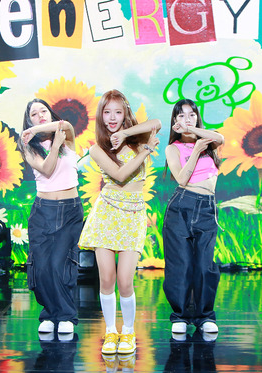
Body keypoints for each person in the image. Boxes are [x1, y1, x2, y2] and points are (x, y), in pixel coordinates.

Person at [78, 89, 161, 355]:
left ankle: (128, 331)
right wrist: (145, 152)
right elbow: (121, 175)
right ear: (100, 116)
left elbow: (157, 124)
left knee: (126, 280)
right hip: (106, 215)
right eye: (107, 111)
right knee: (107, 279)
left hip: (134, 214)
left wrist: (127, 134)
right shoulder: (97, 148)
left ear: (125, 112)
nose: (112, 117)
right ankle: (111, 331)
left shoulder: (135, 138)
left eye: (118, 111)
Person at [19, 98, 83, 336]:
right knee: (43, 266)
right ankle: (48, 313)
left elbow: (64, 125)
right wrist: (53, 145)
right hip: (43, 210)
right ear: (28, 120)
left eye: (43, 111)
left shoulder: (67, 136)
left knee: (61, 263)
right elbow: (46, 169)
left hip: (70, 210)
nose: (40, 116)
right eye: (34, 114)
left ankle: (66, 315)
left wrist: (38, 130)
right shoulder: (29, 147)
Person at [162, 99, 225, 337]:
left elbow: (220, 138)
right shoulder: (173, 148)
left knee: (205, 265)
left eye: (191, 115)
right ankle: (180, 315)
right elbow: (181, 178)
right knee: (182, 265)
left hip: (207, 208)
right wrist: (195, 150)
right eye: (181, 116)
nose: (186, 119)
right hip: (182, 206)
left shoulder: (209, 142)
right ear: (174, 122)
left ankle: (205, 316)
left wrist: (195, 135)